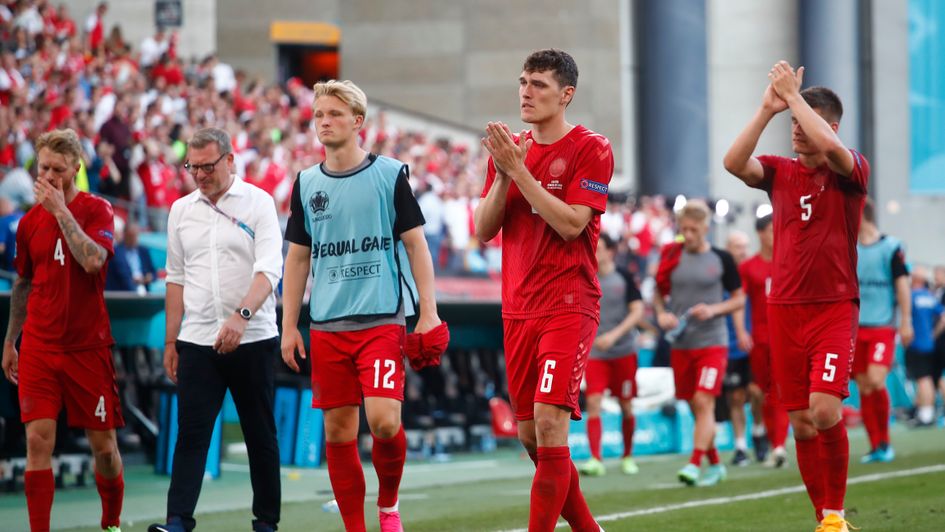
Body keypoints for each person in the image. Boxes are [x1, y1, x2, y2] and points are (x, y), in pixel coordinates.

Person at [280, 80, 443, 532]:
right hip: (327, 325)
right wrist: (289, 325)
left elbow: (417, 246)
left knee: (385, 422)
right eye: (318, 115)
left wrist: (428, 311)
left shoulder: (389, 175)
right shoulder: (306, 183)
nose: (324, 122)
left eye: (334, 113)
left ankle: (388, 506)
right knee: (338, 431)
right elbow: (297, 259)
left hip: (381, 320)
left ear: (357, 122)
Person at [723, 60, 869, 532]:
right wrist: (769, 109)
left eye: (804, 121)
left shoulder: (850, 169)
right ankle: (824, 518)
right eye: (792, 122)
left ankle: (837, 513)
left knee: (826, 410)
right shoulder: (778, 171)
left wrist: (794, 97)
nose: (796, 130)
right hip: (784, 310)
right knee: (803, 422)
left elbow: (833, 149)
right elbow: (733, 163)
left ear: (830, 126)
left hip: (833, 307)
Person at [474, 48, 612, 532]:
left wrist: (520, 172)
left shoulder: (591, 148)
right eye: (523, 82)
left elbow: (573, 225)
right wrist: (503, 174)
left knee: (552, 425)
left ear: (566, 94)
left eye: (538, 85)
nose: (526, 92)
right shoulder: (510, 149)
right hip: (518, 307)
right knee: (533, 437)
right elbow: (483, 230)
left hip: (568, 304)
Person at [148, 128, 283, 532]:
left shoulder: (259, 201)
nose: (199, 175)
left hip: (253, 337)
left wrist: (242, 316)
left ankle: (266, 522)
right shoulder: (180, 210)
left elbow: (270, 269)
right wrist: (171, 340)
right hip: (197, 338)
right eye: (192, 167)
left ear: (229, 160)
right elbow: (175, 278)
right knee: (191, 433)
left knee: (260, 433)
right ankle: (177, 520)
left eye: (207, 166)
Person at [2, 129, 124, 532]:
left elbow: (93, 261)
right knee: (37, 442)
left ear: (75, 168)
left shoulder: (98, 209)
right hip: (39, 345)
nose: (49, 176)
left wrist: (61, 212)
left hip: (87, 346)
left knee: (104, 449)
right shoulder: (28, 223)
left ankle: (111, 523)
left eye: (57, 169)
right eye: (44, 168)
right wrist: (11, 340)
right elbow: (23, 283)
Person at [654, 201, 744, 487]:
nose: (688, 235)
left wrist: (714, 309)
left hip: (712, 342)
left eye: (693, 229)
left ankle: (693, 464)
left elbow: (739, 299)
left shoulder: (721, 259)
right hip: (681, 344)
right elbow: (658, 293)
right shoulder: (671, 255)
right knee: (695, 406)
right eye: (684, 229)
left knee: (704, 400)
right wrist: (662, 314)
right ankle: (716, 464)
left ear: (706, 228)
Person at [578, 233, 644, 477]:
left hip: (623, 351)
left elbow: (637, 311)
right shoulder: (584, 278)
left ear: (610, 251)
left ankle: (627, 456)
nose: (594, 252)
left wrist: (614, 336)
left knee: (626, 404)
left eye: (599, 247)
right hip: (595, 354)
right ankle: (595, 458)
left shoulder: (624, 277)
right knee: (593, 401)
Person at [854, 198, 912, 463]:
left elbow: (902, 286)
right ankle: (875, 445)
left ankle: (886, 442)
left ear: (861, 214)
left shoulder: (891, 247)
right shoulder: (849, 248)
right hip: (854, 328)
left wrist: (906, 321)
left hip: (882, 327)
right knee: (864, 386)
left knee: (876, 380)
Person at [737, 215, 790, 467]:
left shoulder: (789, 262)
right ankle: (769, 441)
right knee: (761, 393)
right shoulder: (748, 267)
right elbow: (739, 301)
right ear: (760, 233)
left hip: (786, 338)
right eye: (771, 230)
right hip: (759, 339)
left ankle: (779, 446)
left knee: (780, 391)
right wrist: (741, 331)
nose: (775, 235)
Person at [722, 230, 754, 466]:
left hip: (756, 342)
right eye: (737, 246)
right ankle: (741, 445)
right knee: (735, 397)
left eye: (744, 246)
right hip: (730, 345)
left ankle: (760, 431)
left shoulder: (753, 272)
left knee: (758, 392)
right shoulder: (721, 275)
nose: (741, 251)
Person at [904, 266, 945, 427]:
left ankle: (926, 415)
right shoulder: (930, 297)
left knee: (924, 380)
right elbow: (943, 316)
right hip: (929, 345)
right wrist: (933, 335)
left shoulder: (911, 296)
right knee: (932, 379)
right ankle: (925, 412)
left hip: (916, 344)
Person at [105, 222, 156, 293]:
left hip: (143, 290)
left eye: (136, 236)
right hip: (123, 293)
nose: (134, 239)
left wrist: (149, 277)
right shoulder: (116, 252)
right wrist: (132, 280)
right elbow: (119, 275)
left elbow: (154, 273)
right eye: (131, 236)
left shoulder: (143, 251)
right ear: (125, 235)